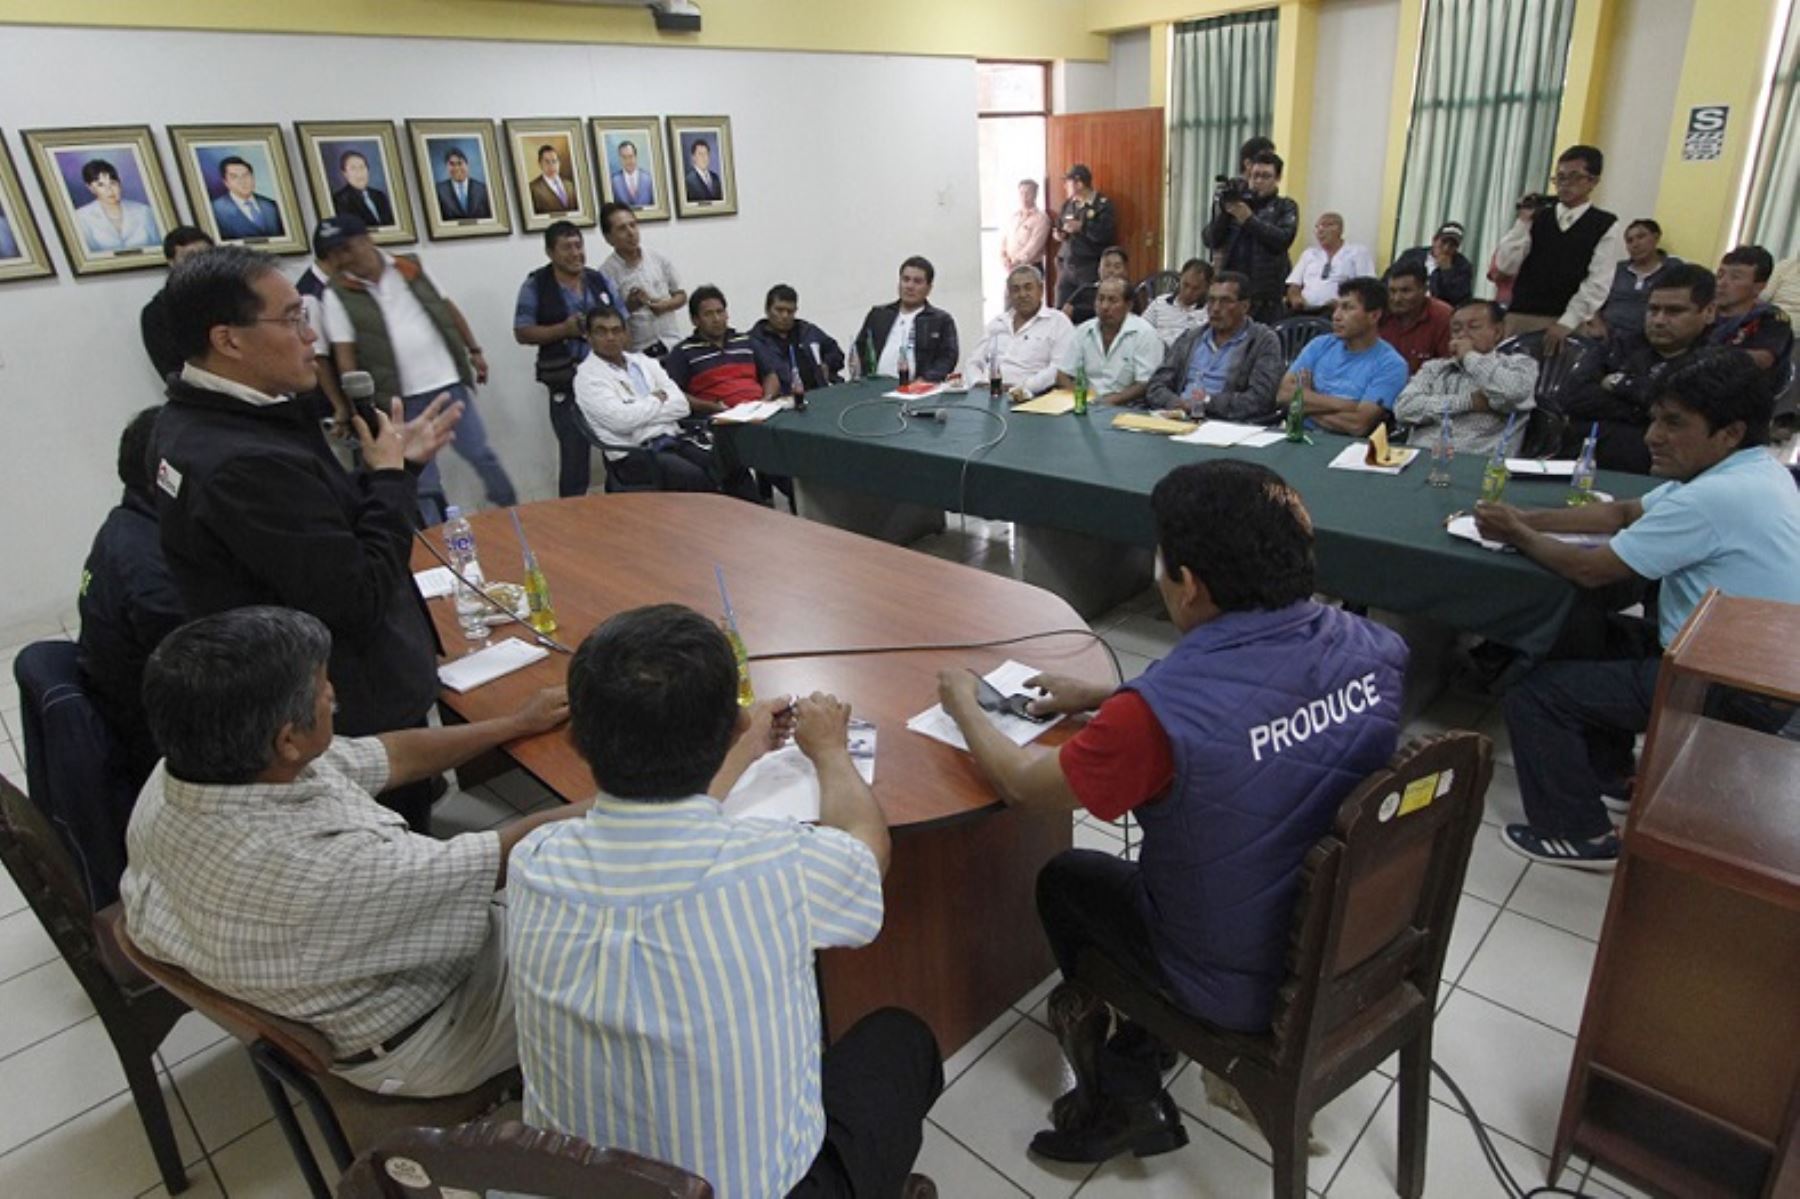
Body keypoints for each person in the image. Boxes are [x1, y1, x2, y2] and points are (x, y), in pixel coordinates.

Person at [932, 460, 1405, 1163]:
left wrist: (965, 705)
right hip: (1353, 940)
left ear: (1189, 583)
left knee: (1066, 882)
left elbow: (1026, 785)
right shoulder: (1378, 651)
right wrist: (1106, 697)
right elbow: (1250, 697)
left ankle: (1124, 1084)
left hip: (1242, 984)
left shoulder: (1157, 717)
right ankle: (1144, 1044)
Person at [508, 604, 941, 1197]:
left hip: (579, 1186)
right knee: (901, 1041)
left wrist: (743, 749)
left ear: (576, 740)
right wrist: (831, 751)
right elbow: (866, 854)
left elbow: (658, 813)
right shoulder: (774, 868)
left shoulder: (535, 863)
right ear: (729, 726)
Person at [120, 606, 582, 1096]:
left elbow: (392, 756)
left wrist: (513, 724)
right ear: (288, 739)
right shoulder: (322, 871)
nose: (333, 692)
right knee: (635, 934)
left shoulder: (189, 772)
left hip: (335, 970)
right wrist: (648, 796)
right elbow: (505, 853)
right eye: (322, 689)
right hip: (435, 1031)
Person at [150, 245, 464, 831]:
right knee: (393, 841)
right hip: (339, 705)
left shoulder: (193, 421)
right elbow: (357, 595)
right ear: (228, 339)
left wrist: (399, 467)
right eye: (293, 318)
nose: (310, 337)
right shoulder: (241, 461)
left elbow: (318, 522)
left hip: (317, 685)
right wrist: (391, 479)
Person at [1473, 350, 1800, 869]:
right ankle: (1607, 777)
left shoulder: (1716, 497)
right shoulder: (1753, 469)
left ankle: (1577, 833)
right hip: (1746, 657)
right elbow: (1626, 511)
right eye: (1654, 418)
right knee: (1590, 635)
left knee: (1534, 694)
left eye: (1674, 423)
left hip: (1732, 686)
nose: (1653, 436)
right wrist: (1525, 515)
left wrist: (1519, 534)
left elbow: (1593, 570)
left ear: (1730, 432)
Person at [319, 215, 516, 524]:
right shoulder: (337, 293)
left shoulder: (409, 268)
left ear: (367, 239)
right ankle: (438, 539)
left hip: (446, 382)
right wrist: (353, 404)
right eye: (334, 253)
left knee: (480, 453)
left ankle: (513, 513)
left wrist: (474, 350)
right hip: (398, 399)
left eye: (347, 248)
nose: (343, 258)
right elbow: (344, 353)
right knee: (422, 478)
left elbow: (446, 308)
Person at [77, 407, 186, 790]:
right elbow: (208, 685)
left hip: (133, 716)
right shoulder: (153, 571)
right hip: (161, 750)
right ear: (166, 476)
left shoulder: (126, 524)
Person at [571, 307, 758, 499]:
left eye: (616, 330)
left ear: (626, 333)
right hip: (634, 454)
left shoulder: (643, 362)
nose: (610, 337)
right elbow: (622, 421)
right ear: (588, 336)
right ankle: (714, 526)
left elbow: (681, 405)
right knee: (697, 479)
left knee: (732, 466)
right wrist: (656, 399)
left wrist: (641, 410)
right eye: (602, 331)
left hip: (673, 439)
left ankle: (757, 523)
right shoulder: (588, 377)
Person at [513, 220, 631, 498]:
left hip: (608, 378)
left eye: (579, 246)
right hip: (567, 382)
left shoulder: (598, 280)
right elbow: (522, 332)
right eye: (567, 248)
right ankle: (572, 517)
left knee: (621, 449)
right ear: (550, 252)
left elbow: (623, 320)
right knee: (574, 454)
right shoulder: (536, 285)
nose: (576, 253)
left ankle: (622, 504)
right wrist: (562, 330)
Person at [1561, 263, 1716, 474]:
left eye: (1674, 311)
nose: (1659, 320)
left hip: (1657, 477)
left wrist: (1618, 385)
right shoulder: (1619, 345)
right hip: (1581, 466)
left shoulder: (1715, 362)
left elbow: (1683, 417)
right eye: (1653, 309)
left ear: (1708, 312)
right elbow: (1572, 396)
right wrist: (1640, 408)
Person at [1493, 145, 1624, 352]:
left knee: (1555, 380)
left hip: (1566, 321)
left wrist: (1568, 322)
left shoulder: (1604, 223)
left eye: (1574, 177)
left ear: (1593, 181)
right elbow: (1506, 266)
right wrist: (1523, 222)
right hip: (1521, 314)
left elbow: (1598, 281)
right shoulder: (1538, 216)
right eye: (1560, 177)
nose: (1565, 185)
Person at [1393, 300, 1539, 454]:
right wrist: (1468, 402)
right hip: (1420, 456)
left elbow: (1512, 393)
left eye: (1474, 327)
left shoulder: (1519, 365)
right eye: (1456, 329)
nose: (1462, 335)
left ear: (1497, 332)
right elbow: (1403, 409)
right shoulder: (1434, 368)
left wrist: (1470, 357)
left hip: (1477, 463)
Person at [1145, 271, 1283, 421]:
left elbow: (1260, 399)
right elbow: (1156, 385)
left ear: (1244, 306)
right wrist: (1176, 403)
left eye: (1225, 301)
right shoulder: (1190, 338)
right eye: (1211, 300)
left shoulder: (1262, 341)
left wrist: (1205, 403)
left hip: (1225, 424)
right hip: (1179, 417)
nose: (1216, 308)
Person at [1282, 277, 1410, 436]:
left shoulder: (1391, 364)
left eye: (1347, 308)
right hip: (1297, 434)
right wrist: (1349, 405)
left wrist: (1303, 401)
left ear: (1374, 316)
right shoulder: (1320, 344)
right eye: (1336, 308)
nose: (1336, 316)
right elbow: (1283, 394)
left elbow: (1357, 425)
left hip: (1345, 447)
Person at [1202, 150, 1298, 325]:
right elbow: (1210, 239)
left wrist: (1249, 220)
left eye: (1265, 176)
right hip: (1232, 293)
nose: (1258, 181)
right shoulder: (1238, 204)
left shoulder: (1285, 206)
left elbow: (1282, 240)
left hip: (1266, 295)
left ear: (1277, 178)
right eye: (1255, 176)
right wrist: (1225, 212)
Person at [663, 286, 778, 415]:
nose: (716, 319)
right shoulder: (683, 352)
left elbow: (770, 374)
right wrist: (710, 407)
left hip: (760, 411)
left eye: (720, 312)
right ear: (695, 320)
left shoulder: (746, 341)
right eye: (708, 314)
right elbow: (673, 393)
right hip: (721, 419)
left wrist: (766, 400)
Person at [969, 265, 1075, 399]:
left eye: (1028, 287)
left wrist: (1022, 388)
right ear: (1009, 294)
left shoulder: (1058, 322)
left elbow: (1058, 368)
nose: (1022, 295)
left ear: (1041, 289)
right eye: (1016, 290)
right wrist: (977, 384)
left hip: (1032, 398)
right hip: (988, 393)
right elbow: (974, 361)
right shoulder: (998, 323)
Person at [1056, 278, 1162, 408]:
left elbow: (1145, 383)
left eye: (1113, 300)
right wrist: (1081, 397)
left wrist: (1110, 401)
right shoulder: (1083, 330)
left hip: (1127, 408)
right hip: (1086, 404)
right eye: (1100, 299)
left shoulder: (1145, 334)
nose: (1105, 306)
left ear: (1128, 305)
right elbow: (1062, 375)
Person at [598, 202, 687, 354]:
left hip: (672, 344)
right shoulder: (605, 274)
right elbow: (607, 321)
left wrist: (664, 306)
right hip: (640, 352)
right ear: (608, 238)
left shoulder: (658, 258)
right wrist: (629, 306)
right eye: (622, 229)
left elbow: (681, 296)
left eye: (633, 225)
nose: (631, 232)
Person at [853, 256, 960, 382]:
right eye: (906, 279)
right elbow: (860, 348)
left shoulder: (941, 320)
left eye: (917, 281)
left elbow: (948, 358)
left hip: (918, 392)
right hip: (875, 387)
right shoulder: (879, 314)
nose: (910, 286)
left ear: (929, 288)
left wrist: (925, 380)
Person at [1583, 218, 1679, 341]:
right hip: (1607, 338)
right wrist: (1597, 325)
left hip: (1650, 341)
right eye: (1629, 241)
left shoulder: (1674, 270)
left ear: (1656, 237)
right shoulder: (1617, 270)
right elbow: (1592, 302)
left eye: (1641, 237)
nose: (1635, 244)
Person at [141, 226, 215, 381]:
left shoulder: (239, 297)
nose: (200, 263)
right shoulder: (157, 313)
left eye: (206, 256)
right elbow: (172, 373)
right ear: (171, 262)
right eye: (189, 258)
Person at [1709, 245, 1793, 379]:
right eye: (1720, 275)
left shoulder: (1770, 318)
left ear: (1758, 287)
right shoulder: (1703, 311)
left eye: (1735, 277)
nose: (1721, 283)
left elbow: (1762, 360)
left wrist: (1706, 358)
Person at [749, 283, 845, 394]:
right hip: (782, 401)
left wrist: (827, 364)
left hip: (819, 393)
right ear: (767, 310)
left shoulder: (807, 331)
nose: (785, 316)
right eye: (779, 310)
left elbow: (836, 352)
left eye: (790, 311)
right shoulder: (754, 341)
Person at [1052, 164, 1116, 309]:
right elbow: (1059, 226)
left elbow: (1105, 235)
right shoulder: (1068, 204)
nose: (1064, 187)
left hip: (1089, 268)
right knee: (1061, 311)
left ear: (1079, 183)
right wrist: (1059, 234)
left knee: (1087, 310)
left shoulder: (1102, 205)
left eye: (1067, 183)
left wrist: (1082, 227)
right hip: (1066, 267)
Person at [1283, 212, 1374, 314]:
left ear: (1340, 229)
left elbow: (1367, 287)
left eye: (1327, 225)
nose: (1320, 230)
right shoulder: (1309, 254)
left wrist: (1343, 302)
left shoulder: (1357, 252)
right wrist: (1296, 298)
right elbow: (1294, 284)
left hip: (1339, 311)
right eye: (1318, 227)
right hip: (1305, 309)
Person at [1378, 260, 1454, 376]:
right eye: (1392, 291)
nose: (1396, 298)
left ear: (1424, 289)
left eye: (1405, 291)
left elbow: (1449, 370)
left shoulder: (1443, 317)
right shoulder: (1377, 313)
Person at [74, 158, 162, 253]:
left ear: (119, 183)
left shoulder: (144, 211)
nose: (109, 190)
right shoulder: (81, 217)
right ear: (91, 188)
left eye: (113, 183)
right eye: (101, 185)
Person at [1394, 222, 1475, 308]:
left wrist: (1447, 272)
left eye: (1452, 245)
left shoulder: (1462, 266)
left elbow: (1460, 299)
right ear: (1434, 240)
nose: (1446, 248)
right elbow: (1391, 278)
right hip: (1406, 303)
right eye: (1443, 242)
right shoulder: (1411, 256)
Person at [209, 156, 285, 240]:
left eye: (246, 175)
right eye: (234, 177)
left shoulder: (271, 206)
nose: (242, 181)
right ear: (226, 182)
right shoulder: (216, 210)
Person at [1141, 258, 1213, 346]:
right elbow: (1141, 330)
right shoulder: (1160, 302)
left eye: (1195, 289)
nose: (1188, 292)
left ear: (1206, 288)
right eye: (1185, 285)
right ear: (1180, 278)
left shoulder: (1210, 311)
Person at [1061, 245, 1130, 326]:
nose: (1111, 270)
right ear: (1099, 269)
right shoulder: (1085, 289)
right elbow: (1066, 311)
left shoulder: (1129, 293)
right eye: (1107, 265)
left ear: (1125, 271)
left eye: (1117, 267)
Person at [330, 150, 395, 226]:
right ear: (345, 173)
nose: (359, 172)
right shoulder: (339, 200)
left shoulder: (380, 195)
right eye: (353, 168)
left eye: (362, 167)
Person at [1001, 178, 1051, 272]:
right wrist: (1004, 258)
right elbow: (1005, 240)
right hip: (1011, 267)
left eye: (1028, 193)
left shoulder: (1041, 219)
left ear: (1035, 195)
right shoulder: (1014, 217)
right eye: (1021, 193)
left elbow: (1033, 246)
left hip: (1030, 269)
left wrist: (1016, 262)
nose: (1024, 196)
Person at [434, 148, 493, 220]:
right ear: (446, 167)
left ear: (467, 165)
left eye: (460, 163)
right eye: (452, 164)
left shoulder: (483, 189)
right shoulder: (438, 190)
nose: (456, 168)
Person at [607, 139, 656, 209]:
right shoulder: (613, 181)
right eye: (624, 157)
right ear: (619, 159)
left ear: (636, 157)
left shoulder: (649, 179)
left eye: (630, 156)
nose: (628, 161)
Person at [529, 144, 577, 215]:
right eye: (547, 162)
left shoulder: (570, 185)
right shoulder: (533, 188)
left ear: (559, 163)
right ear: (540, 164)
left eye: (554, 161)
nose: (551, 166)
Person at [683, 138, 724, 203]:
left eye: (706, 153)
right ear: (693, 157)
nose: (704, 157)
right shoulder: (688, 181)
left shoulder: (715, 177)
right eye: (700, 154)